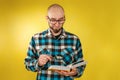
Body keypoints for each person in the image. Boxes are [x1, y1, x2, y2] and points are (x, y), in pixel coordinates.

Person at [24, 4, 86, 80]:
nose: (57, 24)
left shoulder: (74, 39)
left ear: (64, 18)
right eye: (53, 20)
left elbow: (81, 64)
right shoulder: (36, 38)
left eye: (60, 20)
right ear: (47, 18)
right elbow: (27, 64)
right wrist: (38, 63)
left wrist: (76, 71)